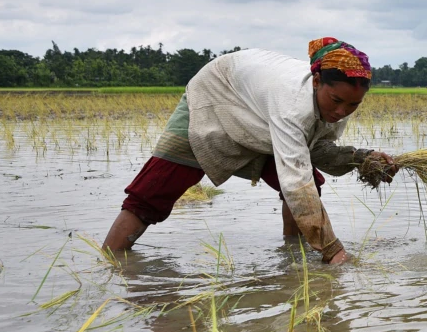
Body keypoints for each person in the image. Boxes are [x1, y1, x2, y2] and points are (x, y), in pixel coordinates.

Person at [101, 38, 400, 264]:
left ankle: (292, 259)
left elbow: (317, 148)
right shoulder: (292, 106)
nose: (341, 111)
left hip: (260, 113)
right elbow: (297, 183)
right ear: (317, 81)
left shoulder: (334, 103)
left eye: (352, 105)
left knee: (311, 185)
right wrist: (333, 249)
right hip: (217, 96)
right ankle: (108, 266)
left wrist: (363, 159)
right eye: (336, 101)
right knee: (154, 190)